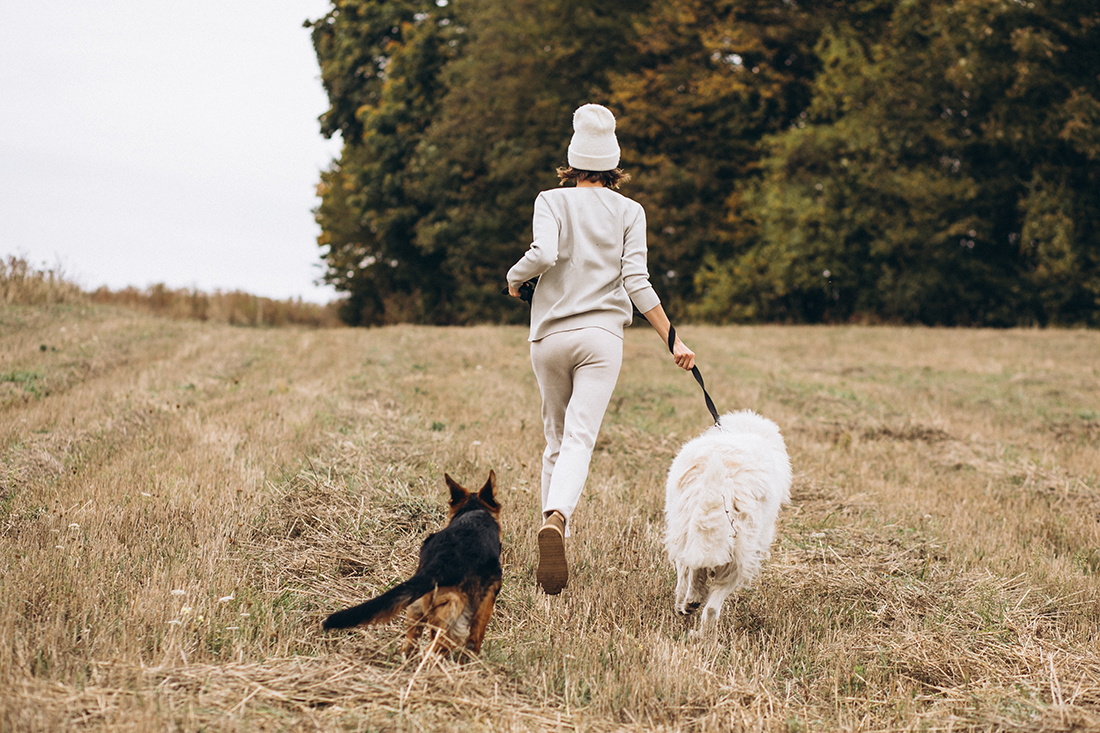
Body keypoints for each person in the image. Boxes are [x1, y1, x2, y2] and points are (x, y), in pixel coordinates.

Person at [506, 103, 696, 595]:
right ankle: (558, 519)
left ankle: (549, 532)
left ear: (571, 159)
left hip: (548, 338)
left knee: (554, 440)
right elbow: (637, 281)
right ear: (613, 162)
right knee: (580, 438)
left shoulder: (550, 200)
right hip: (601, 340)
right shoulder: (631, 211)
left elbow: (543, 255)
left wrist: (514, 277)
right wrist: (673, 341)